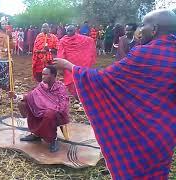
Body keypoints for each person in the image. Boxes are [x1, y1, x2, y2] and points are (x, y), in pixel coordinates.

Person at [53, 9, 176, 179]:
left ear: (154, 29)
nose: (140, 30)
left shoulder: (142, 54)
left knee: (134, 172)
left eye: (143, 24)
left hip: (140, 135)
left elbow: (104, 79)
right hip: (165, 134)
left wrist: (70, 66)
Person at [9, 65, 69, 152]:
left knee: (49, 114)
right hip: (41, 111)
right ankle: (36, 134)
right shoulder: (42, 85)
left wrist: (51, 108)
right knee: (23, 104)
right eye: (42, 74)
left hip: (57, 114)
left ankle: (52, 139)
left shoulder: (60, 88)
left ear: (53, 76)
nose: (42, 76)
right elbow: (30, 95)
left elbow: (63, 104)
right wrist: (15, 96)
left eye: (45, 74)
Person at [57, 25, 96, 100]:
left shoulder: (82, 39)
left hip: (80, 65)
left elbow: (90, 40)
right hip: (69, 66)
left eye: (70, 31)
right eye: (67, 31)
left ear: (75, 31)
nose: (69, 32)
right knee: (72, 82)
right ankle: (79, 98)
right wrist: (61, 67)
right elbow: (60, 54)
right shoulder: (63, 40)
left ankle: (82, 99)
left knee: (81, 81)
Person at [0, 16, 13, 104]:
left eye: (6, 24)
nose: (4, 25)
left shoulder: (10, 33)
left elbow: (13, 45)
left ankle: (10, 97)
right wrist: (3, 49)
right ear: (0, 24)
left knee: (9, 80)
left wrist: (11, 38)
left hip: (8, 59)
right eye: (3, 24)